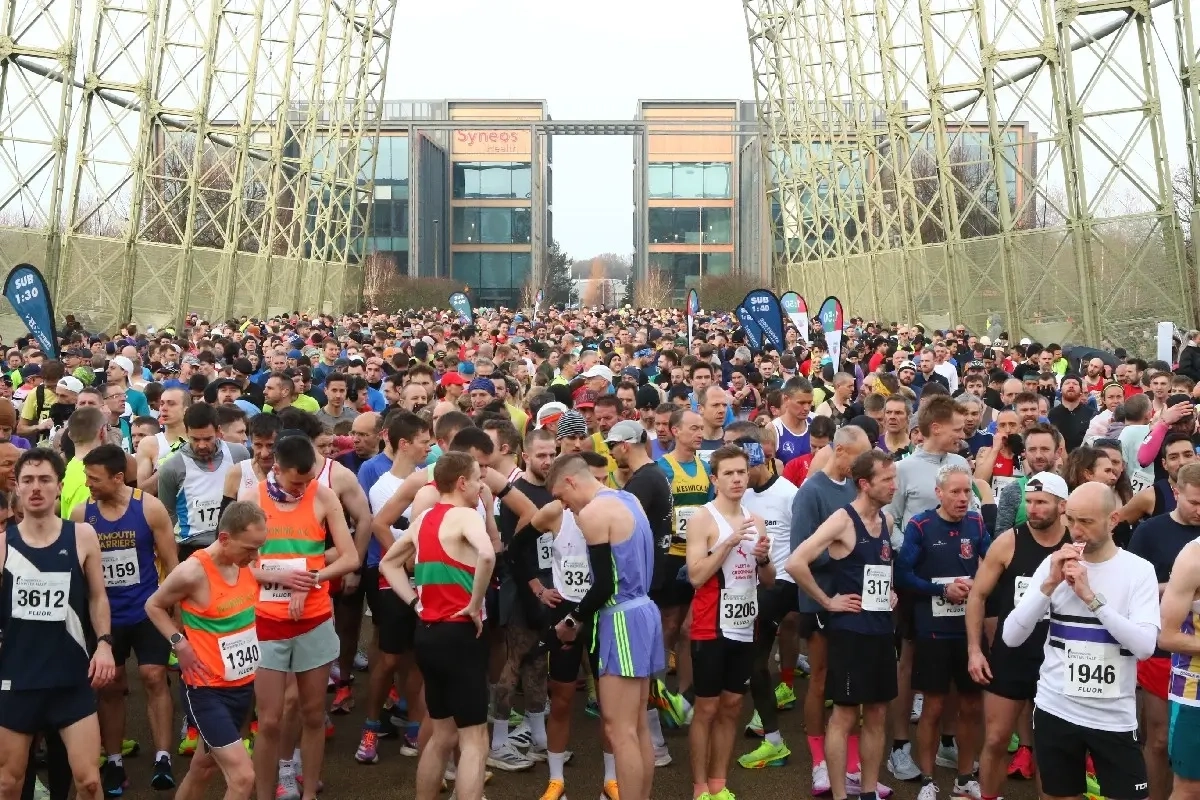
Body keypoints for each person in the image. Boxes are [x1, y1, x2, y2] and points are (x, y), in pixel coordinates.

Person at [1002, 482, 1160, 800]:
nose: (1076, 530)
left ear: (1113, 520)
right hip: (1055, 708)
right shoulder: (1053, 566)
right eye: (1071, 520)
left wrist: (1091, 599)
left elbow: (1145, 646)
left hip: (1113, 717)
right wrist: (1048, 584)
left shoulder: (1138, 571)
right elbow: (1011, 636)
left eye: (1086, 521)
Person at [377, 451, 496, 800]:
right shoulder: (465, 515)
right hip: (461, 634)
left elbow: (388, 563)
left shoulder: (424, 518)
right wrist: (474, 606)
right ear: (461, 483)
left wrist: (415, 602)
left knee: (442, 735)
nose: (481, 484)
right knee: (474, 739)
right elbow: (488, 554)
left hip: (427, 633)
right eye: (477, 478)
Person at [0, 448, 118, 800]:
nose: (36, 488)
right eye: (28, 480)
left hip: (71, 677)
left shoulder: (82, 536)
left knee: (90, 782)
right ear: (17, 488)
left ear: (59, 486)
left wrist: (105, 644)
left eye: (45, 480)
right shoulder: (4, 545)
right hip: (19, 678)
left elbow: (98, 597)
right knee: (8, 782)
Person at [546, 453, 666, 800]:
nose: (565, 508)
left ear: (571, 481)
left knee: (619, 729)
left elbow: (601, 587)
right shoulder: (627, 497)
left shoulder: (594, 513)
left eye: (561, 497)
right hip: (642, 611)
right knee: (637, 725)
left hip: (622, 619)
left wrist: (572, 620)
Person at [251, 434, 359, 800]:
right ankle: (268, 790)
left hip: (312, 618)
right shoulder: (253, 499)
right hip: (266, 621)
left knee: (313, 714)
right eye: (296, 482)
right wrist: (277, 576)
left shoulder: (322, 495)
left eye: (308, 480)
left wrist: (312, 579)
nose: (303, 488)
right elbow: (234, 561)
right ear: (276, 470)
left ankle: (309, 792)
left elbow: (349, 557)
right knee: (268, 720)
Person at [790, 449, 899, 800]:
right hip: (851, 632)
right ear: (865, 484)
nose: (894, 486)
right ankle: (839, 794)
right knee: (845, 714)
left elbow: (883, 568)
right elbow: (796, 562)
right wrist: (827, 601)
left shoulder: (888, 521)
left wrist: (891, 592)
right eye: (887, 480)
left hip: (882, 629)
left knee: (878, 713)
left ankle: (867, 791)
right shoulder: (843, 519)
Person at [69, 444, 178, 793]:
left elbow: (172, 563)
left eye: (94, 478)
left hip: (146, 609)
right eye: (87, 477)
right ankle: (114, 760)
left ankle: (163, 756)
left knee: (153, 676)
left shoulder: (149, 508)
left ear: (118, 478)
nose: (88, 484)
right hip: (105, 616)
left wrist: (177, 608)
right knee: (111, 685)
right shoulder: (81, 513)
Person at [143, 502, 267, 800]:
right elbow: (154, 605)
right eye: (250, 548)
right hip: (206, 690)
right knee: (243, 777)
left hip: (241, 686)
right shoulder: (192, 572)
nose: (256, 556)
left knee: (203, 766)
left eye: (260, 547)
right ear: (224, 539)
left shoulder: (246, 562)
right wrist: (179, 642)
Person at [965, 472, 1071, 799]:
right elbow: (977, 596)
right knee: (996, 740)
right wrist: (974, 650)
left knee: (1051, 750)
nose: (1033, 509)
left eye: (1041, 502)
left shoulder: (1074, 545)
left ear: (1062, 505)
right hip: (1012, 656)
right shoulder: (1009, 541)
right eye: (1029, 502)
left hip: (1058, 658)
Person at [895, 463, 990, 800]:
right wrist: (941, 591)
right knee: (933, 708)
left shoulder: (977, 523)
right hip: (933, 631)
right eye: (955, 492)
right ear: (939, 493)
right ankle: (927, 781)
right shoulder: (920, 525)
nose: (963, 498)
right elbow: (902, 575)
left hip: (968, 633)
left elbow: (992, 563)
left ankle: (965, 777)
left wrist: (979, 583)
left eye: (967, 492)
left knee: (971, 706)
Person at [685, 445, 773, 800]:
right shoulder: (702, 519)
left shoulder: (756, 520)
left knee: (733, 705)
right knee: (706, 707)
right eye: (729, 473)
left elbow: (768, 579)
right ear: (714, 479)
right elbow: (694, 575)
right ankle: (699, 786)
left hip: (744, 623)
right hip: (709, 624)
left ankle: (719, 784)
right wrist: (727, 543)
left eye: (742, 472)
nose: (738, 479)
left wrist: (764, 560)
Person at [1127, 463, 1200, 800]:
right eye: (1195, 502)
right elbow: (1130, 590)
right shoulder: (1153, 533)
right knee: (1158, 742)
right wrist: (1169, 588)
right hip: (1172, 664)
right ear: (1176, 495)